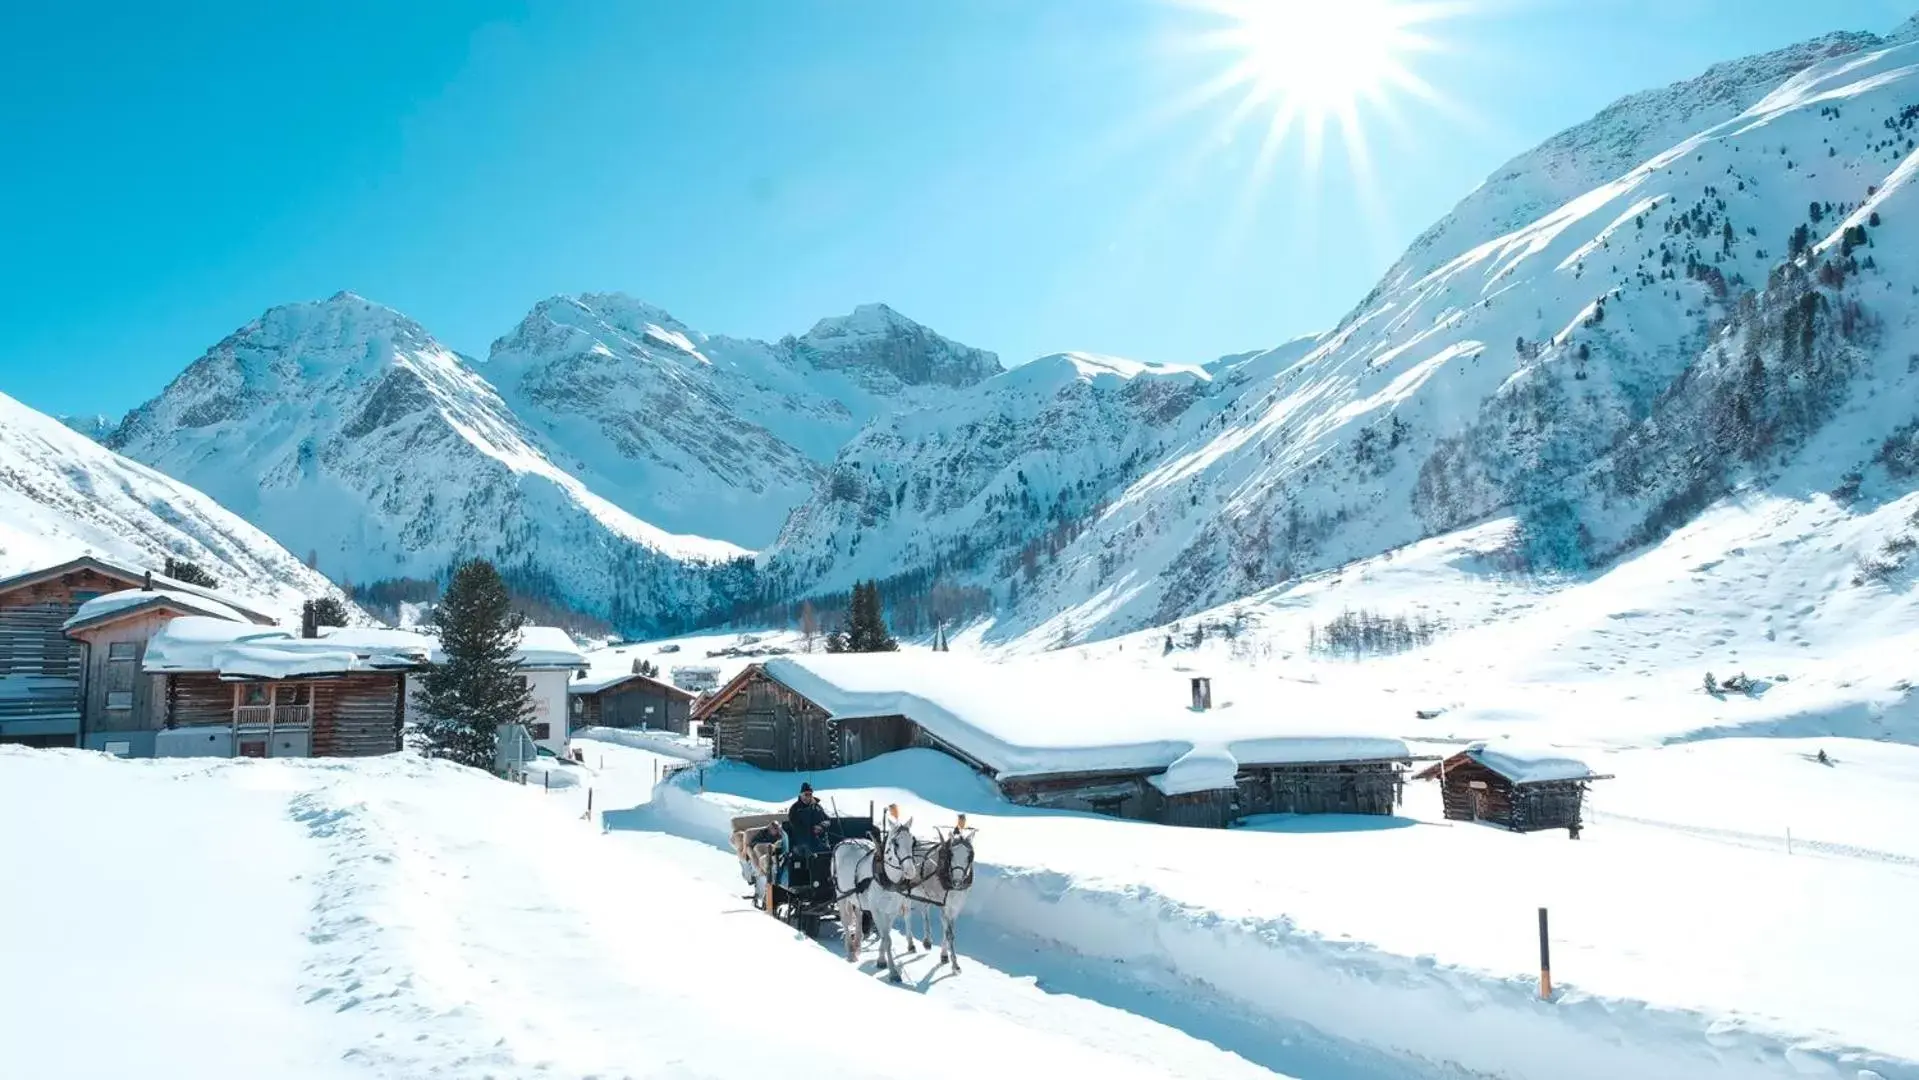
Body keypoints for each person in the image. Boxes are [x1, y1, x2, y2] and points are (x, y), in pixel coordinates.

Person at [787, 782, 830, 854]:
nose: (807, 797)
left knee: (827, 852)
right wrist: (813, 829)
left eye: (810, 794)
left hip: (819, 842)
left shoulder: (817, 807)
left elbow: (827, 820)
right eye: (805, 794)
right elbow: (796, 826)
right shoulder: (795, 809)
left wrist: (821, 826)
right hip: (802, 844)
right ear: (801, 795)